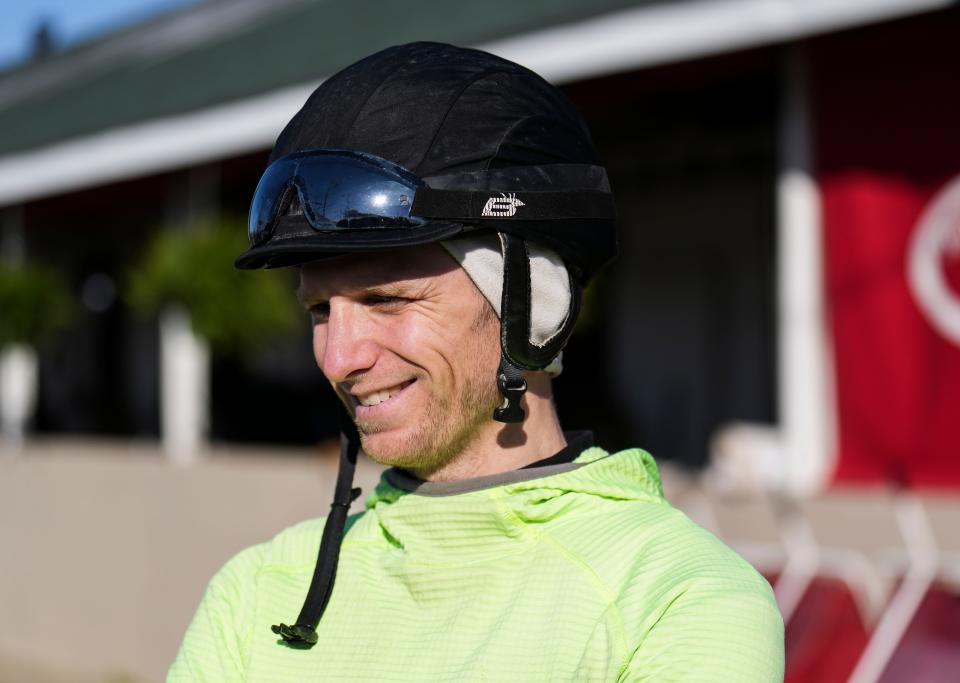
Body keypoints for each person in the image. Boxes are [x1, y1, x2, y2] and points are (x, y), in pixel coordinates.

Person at [169, 42, 784, 681]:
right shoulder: (255, 593)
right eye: (321, 311)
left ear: (535, 304)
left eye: (388, 300)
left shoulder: (677, 600)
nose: (339, 358)